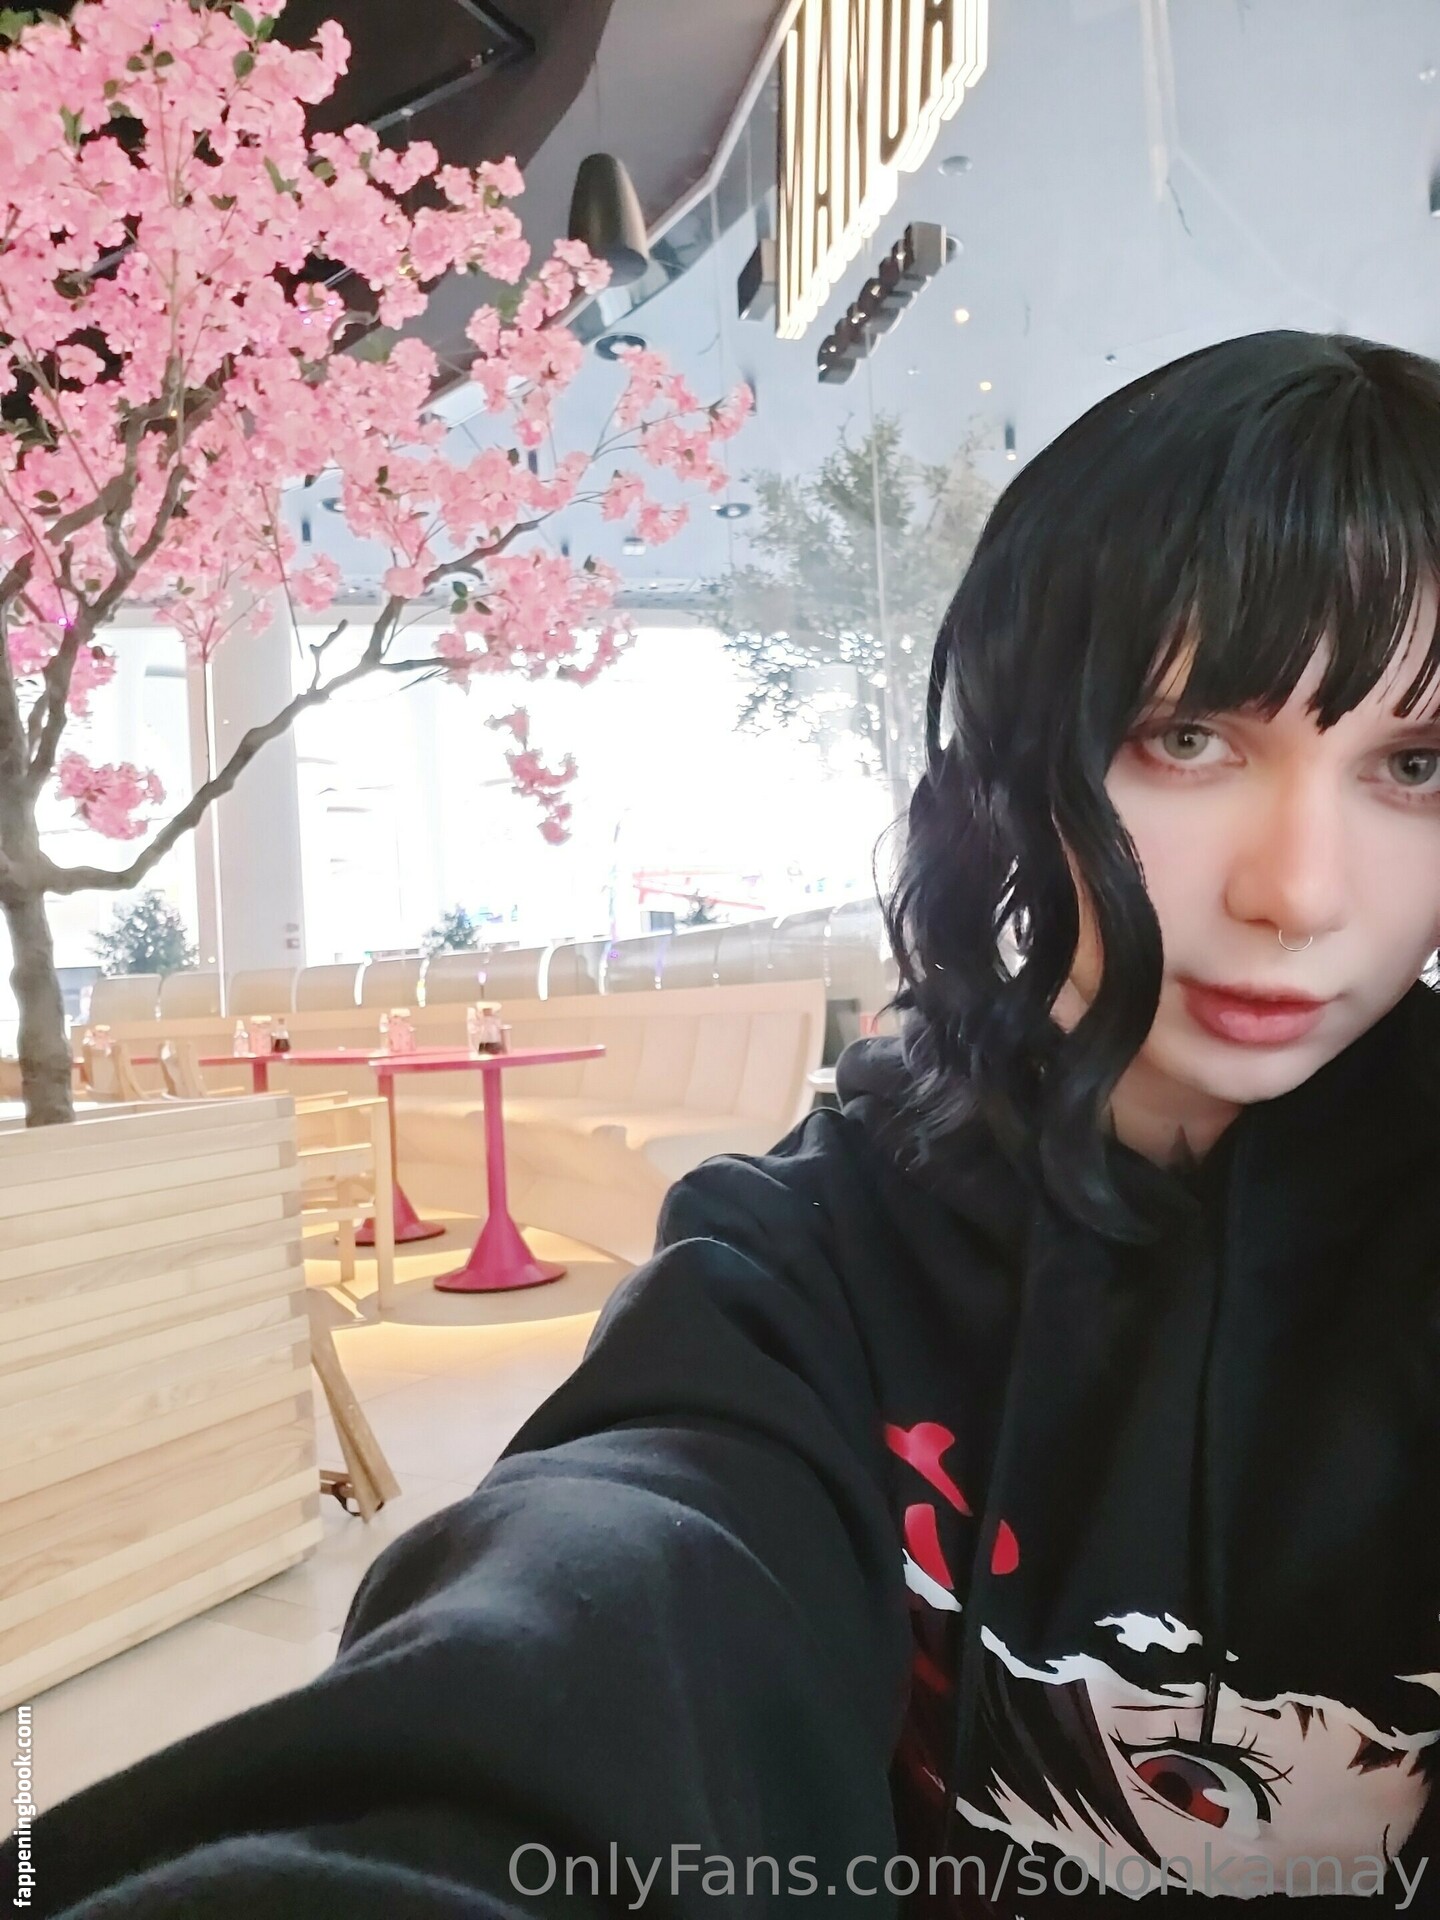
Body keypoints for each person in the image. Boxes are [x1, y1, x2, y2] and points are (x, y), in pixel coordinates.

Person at [8, 329, 1440, 1917]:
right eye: (1188, 738)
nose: (1299, 893)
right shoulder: (807, 1264)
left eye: (1415, 764)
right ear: (1021, 753)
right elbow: (619, 1581)